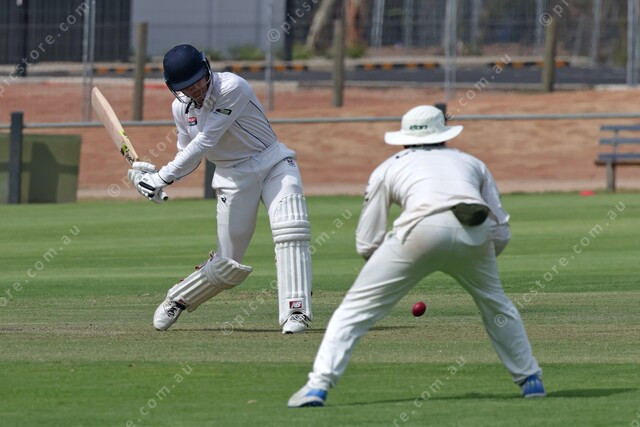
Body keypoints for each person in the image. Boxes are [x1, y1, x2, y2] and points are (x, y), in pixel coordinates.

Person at [288, 105, 545, 407]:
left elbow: (367, 241)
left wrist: (385, 271)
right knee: (496, 305)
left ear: (405, 138)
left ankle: (317, 387)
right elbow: (501, 229)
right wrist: (480, 257)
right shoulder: (472, 162)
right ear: (444, 135)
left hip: (418, 231)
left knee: (353, 311)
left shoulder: (387, 167)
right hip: (475, 230)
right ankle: (531, 379)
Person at [127, 44, 312, 334]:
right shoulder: (180, 109)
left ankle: (296, 311)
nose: (195, 89)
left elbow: (206, 141)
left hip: (273, 163)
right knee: (228, 264)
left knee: (291, 229)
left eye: (198, 81)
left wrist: (161, 177)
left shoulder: (232, 87)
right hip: (231, 177)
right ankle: (178, 298)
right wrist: (155, 179)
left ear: (207, 69)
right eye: (186, 86)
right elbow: (188, 155)